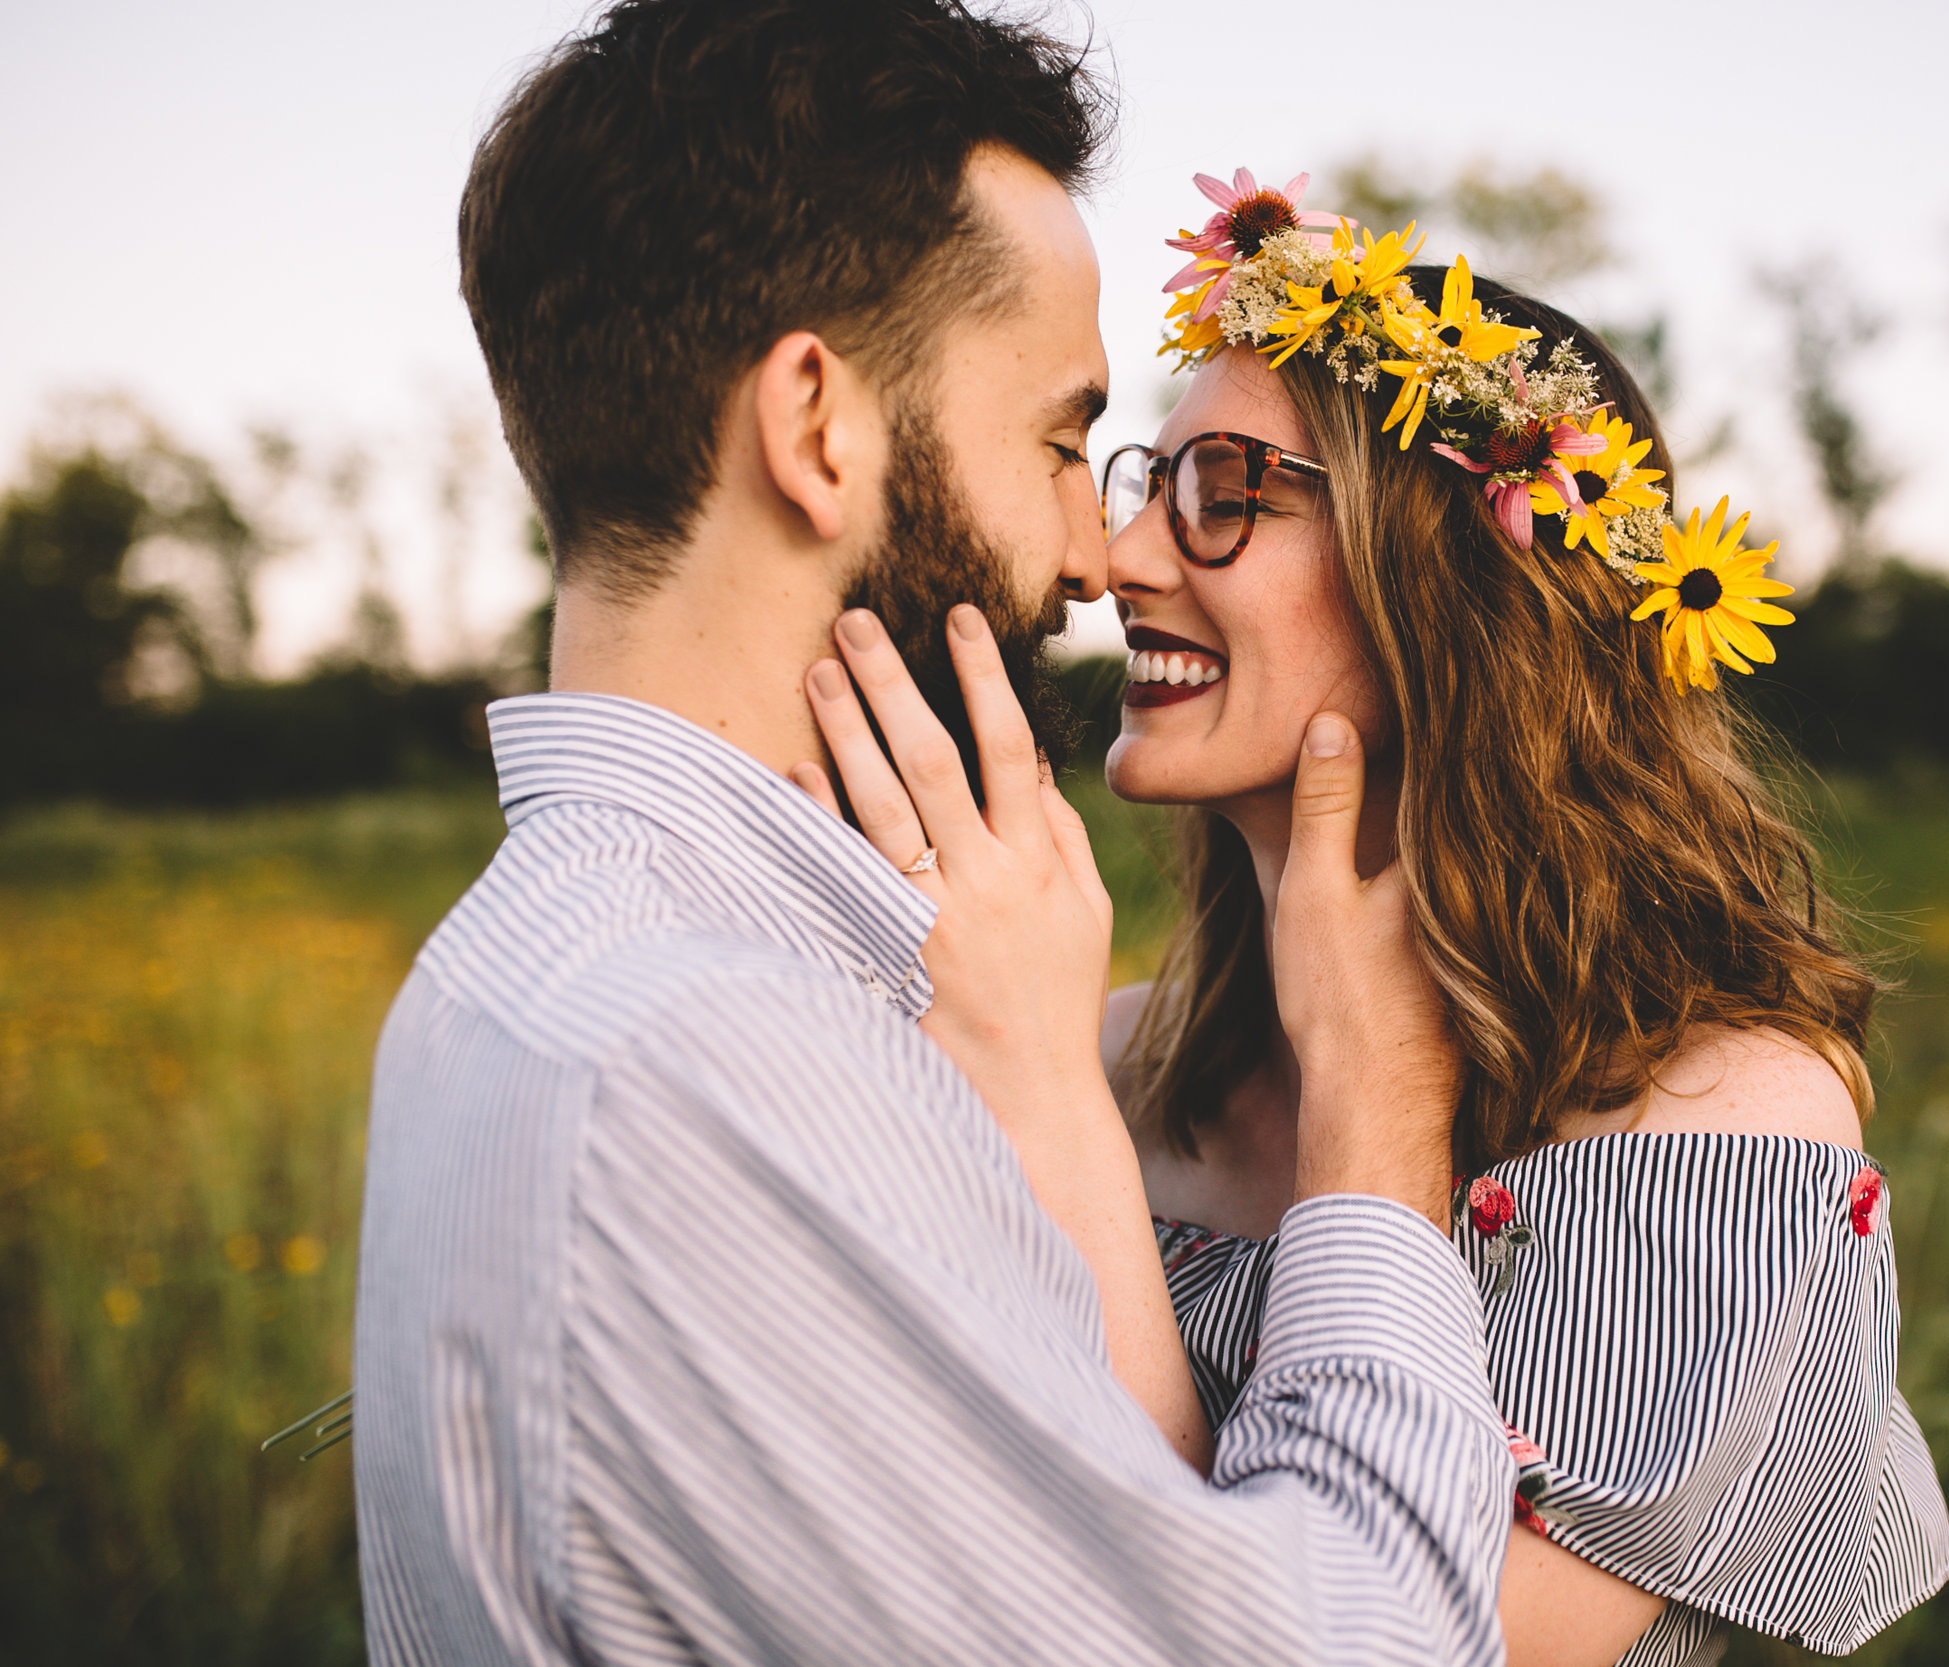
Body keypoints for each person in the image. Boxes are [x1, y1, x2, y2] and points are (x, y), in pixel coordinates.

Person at [351, 10, 1517, 1665]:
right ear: (818, 426)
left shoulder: (524, 973)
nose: (1096, 556)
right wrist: (1385, 1120)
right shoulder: (711, 1073)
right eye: (1060, 440)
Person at [1026, 175, 1949, 1665]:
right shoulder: (1087, 1053)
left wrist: (1365, 1110)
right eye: (1151, 483)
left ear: (1448, 582)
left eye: (1220, 495)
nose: (1125, 558)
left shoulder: (1713, 1130)